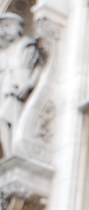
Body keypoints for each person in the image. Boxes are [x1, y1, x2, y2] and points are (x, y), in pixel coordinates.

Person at [0, 13, 44, 157]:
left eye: (7, 26)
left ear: (18, 28)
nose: (4, 31)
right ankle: (10, 154)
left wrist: (29, 84)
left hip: (18, 89)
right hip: (7, 90)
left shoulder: (26, 45)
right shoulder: (4, 52)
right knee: (5, 120)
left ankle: (14, 153)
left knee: (10, 119)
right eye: (2, 28)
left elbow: (37, 67)